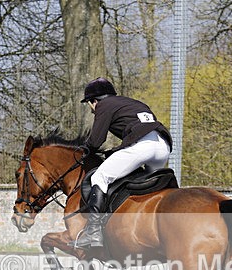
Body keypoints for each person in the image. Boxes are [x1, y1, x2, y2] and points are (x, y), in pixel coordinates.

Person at [74, 77, 172, 249]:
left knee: (100, 177)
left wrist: (85, 149)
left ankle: (93, 232)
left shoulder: (104, 105)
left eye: (90, 105)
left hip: (143, 147)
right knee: (148, 186)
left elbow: (96, 141)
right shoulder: (132, 103)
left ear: (93, 101)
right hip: (163, 146)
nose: (91, 110)